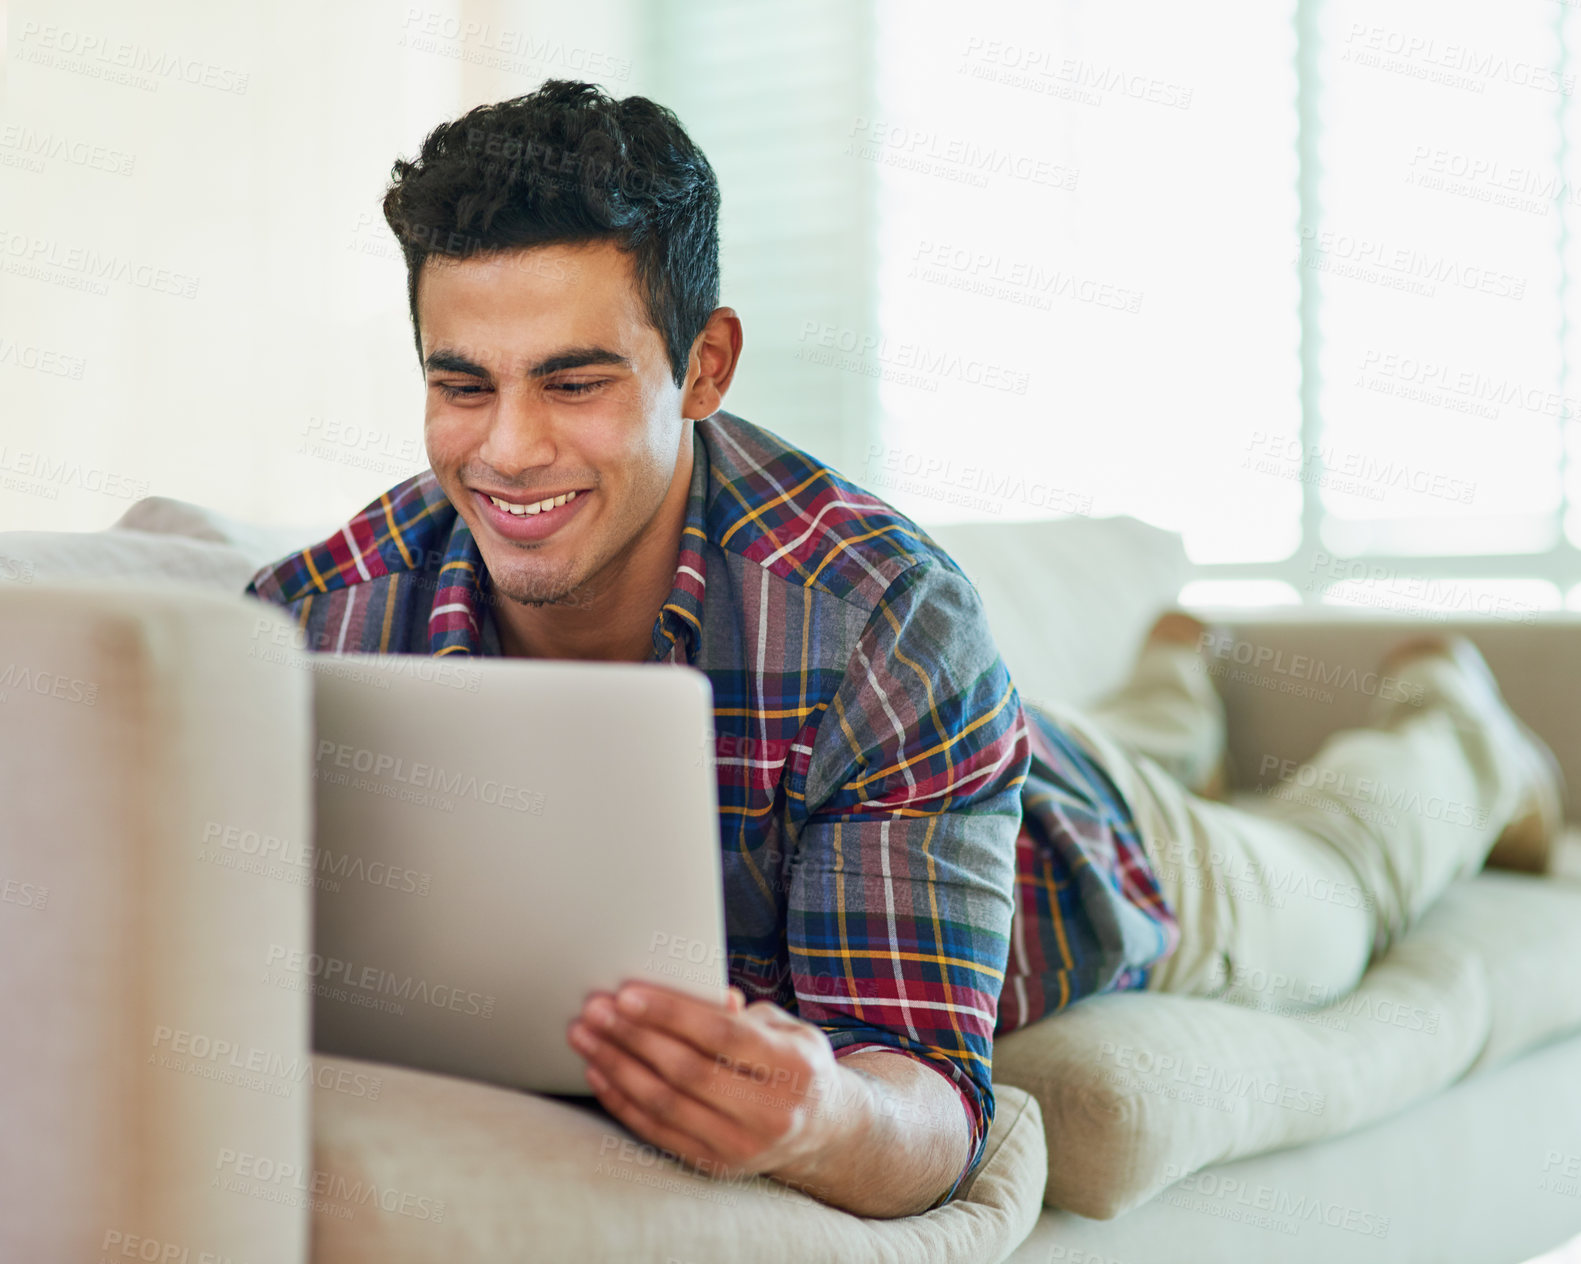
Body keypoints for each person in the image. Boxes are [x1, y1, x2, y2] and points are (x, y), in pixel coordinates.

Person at [244, 80, 1564, 1219]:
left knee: (1340, 868)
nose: (510, 449)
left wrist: (822, 1118)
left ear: (704, 367)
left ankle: (1451, 726)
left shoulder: (879, 613)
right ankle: (1170, 683)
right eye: (461, 383)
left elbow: (927, 1103)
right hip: (962, 754)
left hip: (1103, 857)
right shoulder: (306, 626)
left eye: (574, 382)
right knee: (1075, 728)